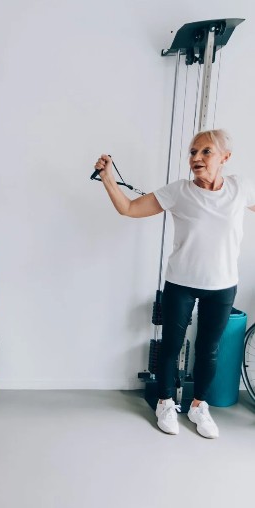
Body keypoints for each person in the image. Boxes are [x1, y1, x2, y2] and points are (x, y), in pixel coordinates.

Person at [94, 129, 255, 439]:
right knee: (171, 346)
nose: (196, 158)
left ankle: (199, 406)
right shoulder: (178, 192)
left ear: (225, 157)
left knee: (209, 349)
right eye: (193, 152)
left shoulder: (240, 188)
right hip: (181, 282)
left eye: (206, 151)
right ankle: (165, 403)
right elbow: (128, 208)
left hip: (222, 285)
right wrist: (107, 178)